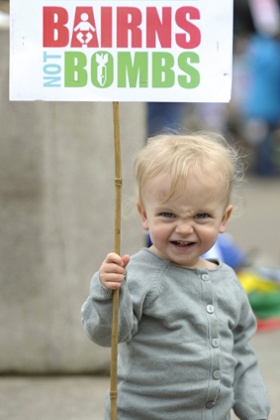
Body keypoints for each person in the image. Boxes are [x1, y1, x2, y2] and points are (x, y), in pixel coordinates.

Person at [81, 132, 270, 420]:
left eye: (201, 216)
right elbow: (105, 334)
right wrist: (106, 290)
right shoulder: (136, 276)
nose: (183, 228)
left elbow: (240, 350)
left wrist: (254, 407)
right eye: (168, 215)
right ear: (145, 215)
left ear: (224, 219)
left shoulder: (229, 281)